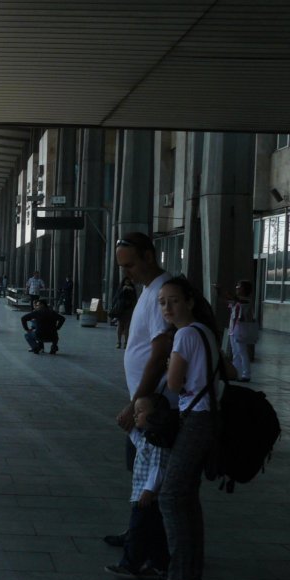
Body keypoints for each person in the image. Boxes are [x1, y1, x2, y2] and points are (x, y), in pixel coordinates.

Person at [143, 276, 222, 580]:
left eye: (174, 301)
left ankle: (178, 577)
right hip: (208, 416)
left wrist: (167, 361)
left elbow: (174, 384)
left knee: (172, 496)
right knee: (186, 497)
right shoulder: (205, 331)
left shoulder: (186, 335)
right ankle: (190, 572)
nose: (167, 308)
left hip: (196, 419)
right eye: (162, 302)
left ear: (189, 301)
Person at [104, 233, 175, 549]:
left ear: (149, 256)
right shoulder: (149, 290)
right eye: (122, 266)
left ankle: (147, 544)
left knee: (151, 475)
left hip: (154, 407)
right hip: (146, 403)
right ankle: (138, 532)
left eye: (130, 265)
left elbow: (160, 354)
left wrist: (135, 403)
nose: (126, 272)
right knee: (139, 469)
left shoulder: (163, 292)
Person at [105, 393, 174, 580]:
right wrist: (128, 428)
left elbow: (158, 468)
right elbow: (138, 442)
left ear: (156, 415)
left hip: (147, 497)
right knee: (155, 533)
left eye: (140, 411)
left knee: (137, 531)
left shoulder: (158, 442)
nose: (135, 415)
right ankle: (160, 565)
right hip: (143, 495)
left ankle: (130, 565)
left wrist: (149, 490)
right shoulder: (148, 436)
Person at [213, 279, 254, 381]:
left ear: (244, 289)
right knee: (235, 352)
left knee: (242, 352)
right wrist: (219, 291)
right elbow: (224, 300)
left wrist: (225, 292)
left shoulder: (246, 301)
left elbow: (236, 299)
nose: (237, 288)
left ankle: (246, 374)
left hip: (241, 330)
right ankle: (235, 372)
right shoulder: (236, 301)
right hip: (233, 329)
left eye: (239, 287)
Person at [112, 276, 137, 349]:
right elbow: (117, 297)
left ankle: (126, 342)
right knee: (120, 325)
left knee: (127, 326)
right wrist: (123, 290)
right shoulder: (121, 288)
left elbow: (134, 299)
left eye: (128, 281)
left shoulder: (132, 289)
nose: (127, 283)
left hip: (129, 309)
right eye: (126, 281)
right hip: (121, 310)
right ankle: (118, 342)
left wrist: (131, 291)